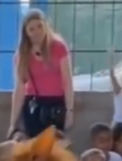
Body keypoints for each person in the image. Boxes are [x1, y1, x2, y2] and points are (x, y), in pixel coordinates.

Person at [8, 10, 74, 138]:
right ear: (26, 33)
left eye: (39, 26)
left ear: (46, 26)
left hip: (55, 105)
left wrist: (69, 111)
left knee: (53, 146)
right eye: (31, 29)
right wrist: (13, 123)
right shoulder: (22, 55)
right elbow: (20, 89)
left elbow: (67, 82)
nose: (37, 31)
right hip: (33, 105)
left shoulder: (59, 48)